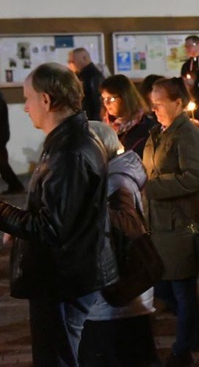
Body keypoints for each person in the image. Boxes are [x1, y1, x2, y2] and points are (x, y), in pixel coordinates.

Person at [0, 63, 118, 365]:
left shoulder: (69, 151)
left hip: (62, 278)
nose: (25, 107)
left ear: (47, 100)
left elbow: (51, 228)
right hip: (64, 273)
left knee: (56, 359)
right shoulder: (67, 141)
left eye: (28, 98)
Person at [143, 77, 199, 366]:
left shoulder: (187, 134)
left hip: (180, 224)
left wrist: (149, 187)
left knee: (182, 289)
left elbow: (196, 177)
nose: (155, 109)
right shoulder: (159, 132)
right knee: (163, 287)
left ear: (178, 103)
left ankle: (182, 350)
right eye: (153, 103)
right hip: (158, 223)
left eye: (160, 103)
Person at [80, 122, 160, 367]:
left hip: (117, 299)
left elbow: (123, 228)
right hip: (122, 299)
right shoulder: (114, 177)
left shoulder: (115, 182)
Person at [101, 74, 158, 157]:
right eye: (104, 99)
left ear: (125, 97)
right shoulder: (105, 127)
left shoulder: (147, 127)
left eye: (111, 98)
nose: (107, 103)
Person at [70, 47, 105, 120]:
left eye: (73, 61)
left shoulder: (93, 76)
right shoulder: (81, 75)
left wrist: (97, 120)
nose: (71, 63)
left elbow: (98, 101)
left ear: (84, 58)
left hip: (91, 118)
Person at [0, 90, 24, 194]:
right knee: (2, 164)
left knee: (2, 164)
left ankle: (16, 185)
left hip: (1, 135)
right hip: (2, 134)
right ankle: (15, 185)